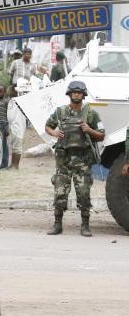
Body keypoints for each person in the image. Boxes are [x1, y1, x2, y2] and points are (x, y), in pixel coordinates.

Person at [45, 81, 105, 237]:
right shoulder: (60, 112)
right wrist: (54, 133)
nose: (77, 94)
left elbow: (101, 135)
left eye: (79, 92)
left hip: (82, 162)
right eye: (74, 92)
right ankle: (57, 225)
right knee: (59, 194)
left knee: (84, 195)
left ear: (83, 95)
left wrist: (89, 129)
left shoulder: (91, 114)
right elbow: (48, 126)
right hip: (63, 162)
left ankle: (85, 226)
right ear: (69, 94)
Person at [6, 85, 27, 169]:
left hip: (18, 127)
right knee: (14, 147)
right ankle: (12, 164)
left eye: (10, 90)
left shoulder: (20, 101)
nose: (8, 92)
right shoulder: (11, 101)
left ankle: (16, 165)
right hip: (12, 126)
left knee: (17, 147)